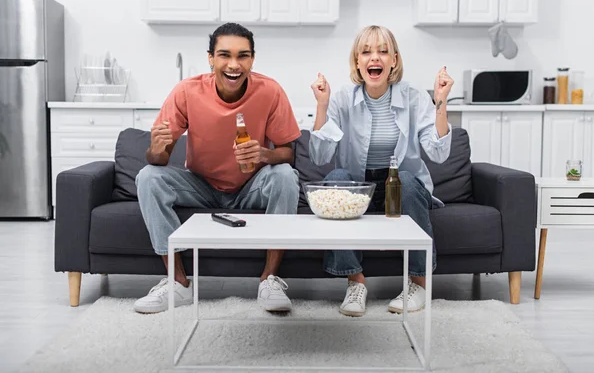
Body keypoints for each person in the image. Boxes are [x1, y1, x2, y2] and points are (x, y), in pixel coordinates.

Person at [134, 23, 301, 314]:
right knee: (148, 177)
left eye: (243, 56)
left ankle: (270, 280)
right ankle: (178, 283)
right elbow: (158, 161)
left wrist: (263, 154)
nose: (234, 65)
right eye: (224, 55)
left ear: (252, 59)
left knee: (285, 176)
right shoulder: (187, 91)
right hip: (201, 186)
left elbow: (289, 154)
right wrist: (156, 149)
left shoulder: (270, 91)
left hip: (251, 187)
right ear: (211, 58)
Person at [309, 25, 454, 317]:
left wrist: (441, 101)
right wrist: (322, 106)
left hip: (401, 187)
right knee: (334, 181)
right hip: (359, 190)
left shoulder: (413, 96)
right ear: (357, 62)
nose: (374, 57)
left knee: (409, 182)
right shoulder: (341, 98)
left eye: (382, 51)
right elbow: (320, 155)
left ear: (394, 61)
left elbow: (438, 152)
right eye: (366, 51)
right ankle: (356, 282)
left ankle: (419, 284)